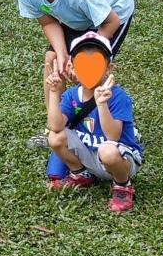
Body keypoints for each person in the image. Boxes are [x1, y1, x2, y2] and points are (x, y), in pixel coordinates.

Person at [14, 0, 136, 179]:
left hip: (112, 10)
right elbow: (48, 22)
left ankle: (111, 129)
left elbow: (110, 21)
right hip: (78, 16)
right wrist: (62, 54)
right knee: (52, 60)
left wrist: (79, 60)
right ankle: (55, 127)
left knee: (90, 70)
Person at [42, 32, 143, 212]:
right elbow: (55, 126)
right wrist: (54, 93)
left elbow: (113, 137)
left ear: (108, 68)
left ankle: (122, 185)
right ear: (72, 67)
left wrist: (101, 104)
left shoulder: (117, 97)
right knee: (55, 137)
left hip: (120, 159)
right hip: (90, 156)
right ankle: (81, 174)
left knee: (107, 150)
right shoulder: (72, 95)